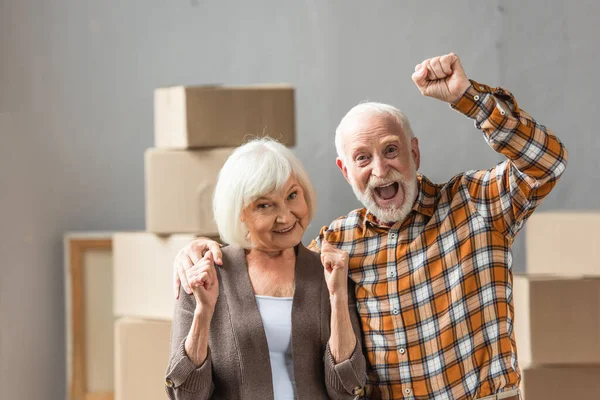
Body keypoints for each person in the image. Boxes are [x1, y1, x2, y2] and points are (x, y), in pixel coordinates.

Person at [172, 53, 568, 400]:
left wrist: (469, 98)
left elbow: (547, 162)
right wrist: (193, 250)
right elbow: (268, 258)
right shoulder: (335, 243)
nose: (380, 170)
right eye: (362, 158)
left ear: (414, 152)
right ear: (346, 172)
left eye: (391, 150)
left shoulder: (477, 204)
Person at [165, 138, 367, 399]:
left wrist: (338, 298)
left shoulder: (329, 274)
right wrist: (204, 312)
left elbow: (348, 390)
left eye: (292, 195)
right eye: (264, 205)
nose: (285, 216)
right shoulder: (204, 274)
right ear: (239, 212)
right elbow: (184, 395)